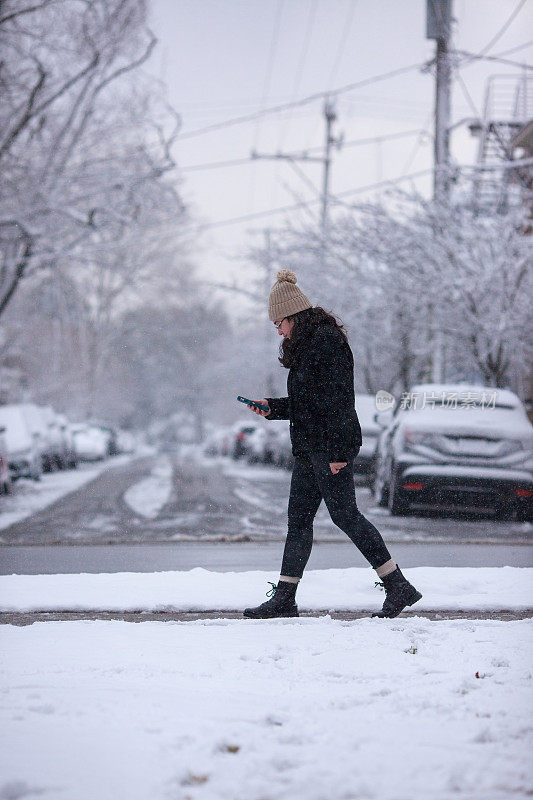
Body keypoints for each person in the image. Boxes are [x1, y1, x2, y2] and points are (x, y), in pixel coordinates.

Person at [243, 269, 422, 620]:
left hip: (328, 448)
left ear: (292, 315)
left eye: (278, 322)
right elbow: (309, 401)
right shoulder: (308, 344)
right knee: (298, 520)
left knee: (345, 516)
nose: (277, 329)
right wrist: (272, 407)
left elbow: (339, 399)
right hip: (310, 448)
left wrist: (341, 452)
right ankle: (285, 597)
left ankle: (397, 585)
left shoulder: (325, 341)